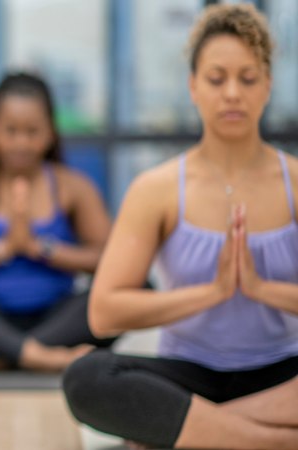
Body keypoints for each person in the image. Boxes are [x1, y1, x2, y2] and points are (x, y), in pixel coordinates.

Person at [63, 4, 298, 449]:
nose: (232, 92)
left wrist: (260, 287)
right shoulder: (158, 188)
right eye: (216, 78)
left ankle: (186, 433)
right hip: (188, 378)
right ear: (193, 86)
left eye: (247, 78)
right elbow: (105, 310)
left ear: (267, 85)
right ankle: (274, 442)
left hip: (282, 375)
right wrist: (211, 294)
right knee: (86, 376)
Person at [0, 73, 113, 373]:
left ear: (51, 132)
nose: (21, 143)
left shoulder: (73, 187)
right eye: (10, 131)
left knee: (136, 285)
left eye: (33, 131)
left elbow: (109, 260)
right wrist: (4, 248)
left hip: (56, 317)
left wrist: (39, 248)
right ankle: (39, 356)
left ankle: (0, 356)